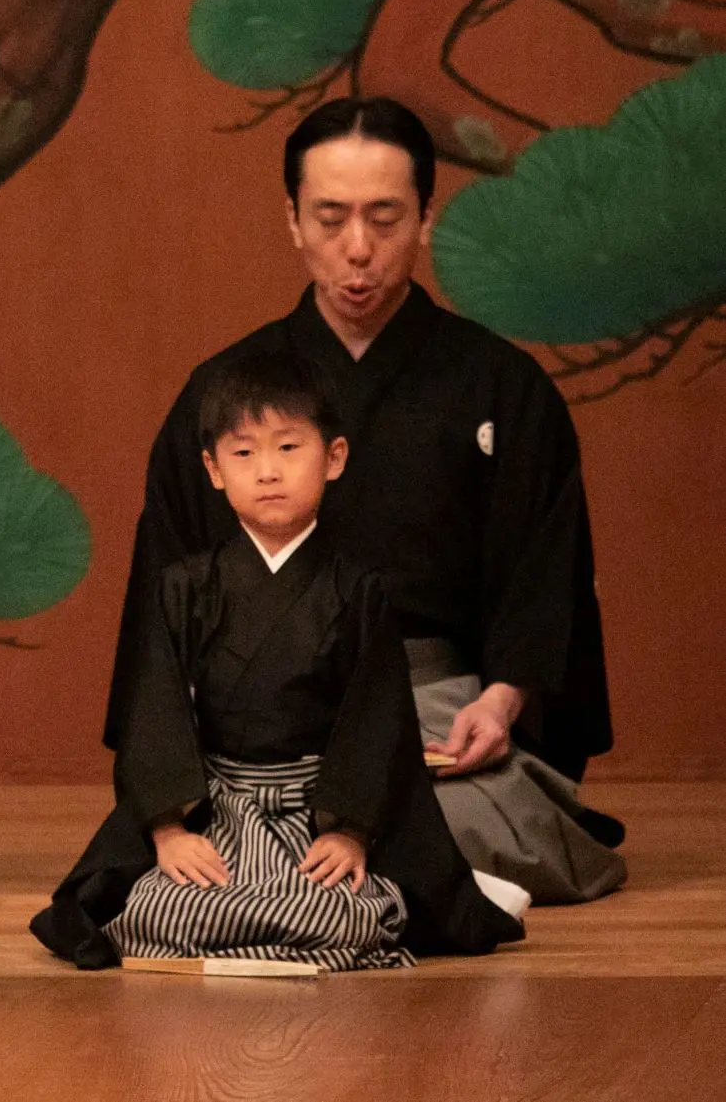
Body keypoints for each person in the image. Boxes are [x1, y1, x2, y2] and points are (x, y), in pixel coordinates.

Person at [114, 97, 625, 905]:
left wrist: (502, 700)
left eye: (384, 218)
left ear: (424, 217)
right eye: (330, 218)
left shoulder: (501, 387)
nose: (357, 248)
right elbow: (165, 602)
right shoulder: (223, 393)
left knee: (440, 821)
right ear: (292, 220)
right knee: (191, 842)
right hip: (252, 734)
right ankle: (403, 892)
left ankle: (330, 884)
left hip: (433, 713)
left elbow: (543, 579)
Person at [35, 348, 524, 970]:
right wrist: (168, 831)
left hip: (314, 813)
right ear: (213, 469)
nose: (267, 472)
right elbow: (154, 708)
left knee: (335, 910)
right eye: (243, 454)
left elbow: (377, 720)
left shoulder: (358, 589)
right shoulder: (185, 586)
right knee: (160, 908)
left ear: (334, 457)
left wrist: (350, 831)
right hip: (218, 809)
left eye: (289, 448)